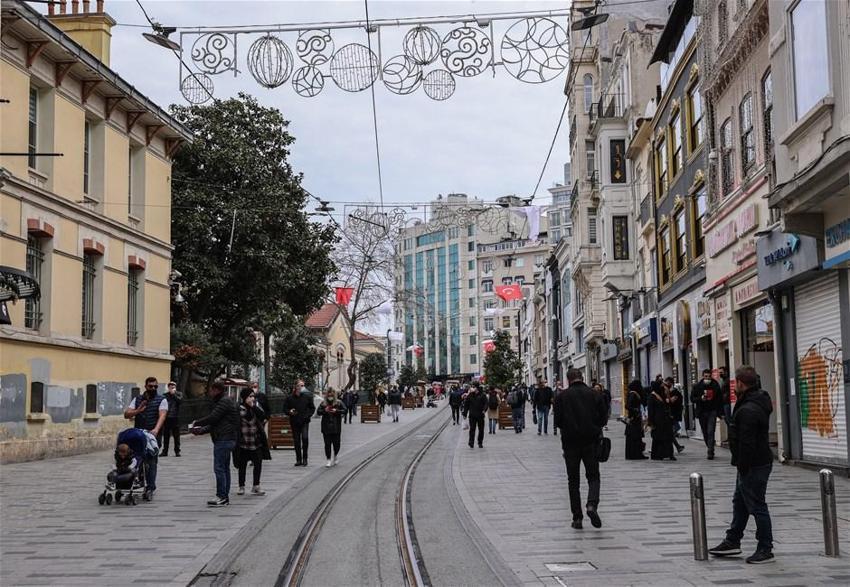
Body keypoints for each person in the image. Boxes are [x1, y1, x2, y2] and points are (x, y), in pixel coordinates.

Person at [709, 365, 775, 564]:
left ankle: (765, 548)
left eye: (734, 382)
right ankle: (732, 540)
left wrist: (742, 465)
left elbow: (747, 442)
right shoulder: (755, 400)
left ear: (740, 383)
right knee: (740, 503)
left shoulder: (748, 409)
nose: (733, 386)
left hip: (753, 464)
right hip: (754, 462)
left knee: (757, 506)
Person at [554, 368, 608, 529]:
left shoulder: (561, 397)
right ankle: (592, 504)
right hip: (591, 442)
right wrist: (593, 426)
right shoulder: (595, 394)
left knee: (573, 481)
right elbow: (603, 419)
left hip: (570, 443)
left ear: (568, 380)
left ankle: (577, 518)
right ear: (582, 377)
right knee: (593, 476)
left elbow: (558, 421)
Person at [190, 381, 240, 507]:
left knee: (219, 468)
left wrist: (197, 423)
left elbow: (213, 418)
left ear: (216, 390)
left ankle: (222, 496)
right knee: (224, 468)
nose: (210, 393)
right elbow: (216, 423)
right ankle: (224, 496)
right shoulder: (223, 401)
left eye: (211, 390)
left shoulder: (224, 401)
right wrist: (200, 431)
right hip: (226, 438)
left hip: (224, 439)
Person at [123, 376, 167, 500]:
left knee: (151, 461)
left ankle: (150, 487)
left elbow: (162, 416)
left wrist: (156, 430)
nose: (153, 388)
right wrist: (138, 410)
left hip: (153, 436)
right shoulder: (137, 399)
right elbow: (127, 414)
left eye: (155, 386)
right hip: (139, 435)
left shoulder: (162, 399)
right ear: (146, 386)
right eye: (150, 386)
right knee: (137, 459)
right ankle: (140, 481)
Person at [235, 387, 270, 496]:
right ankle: (241, 486)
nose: (252, 398)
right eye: (250, 396)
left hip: (255, 441)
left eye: (253, 396)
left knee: (258, 463)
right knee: (242, 465)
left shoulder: (255, 408)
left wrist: (253, 406)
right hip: (243, 441)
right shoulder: (239, 409)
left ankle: (256, 485)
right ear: (244, 397)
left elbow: (263, 416)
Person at [284, 381, 316, 466]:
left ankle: (305, 458)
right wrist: (289, 411)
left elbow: (312, 408)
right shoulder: (289, 398)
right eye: (298, 386)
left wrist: (308, 415)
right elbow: (285, 409)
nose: (299, 388)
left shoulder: (307, 397)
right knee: (297, 441)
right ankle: (298, 459)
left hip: (304, 421)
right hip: (294, 421)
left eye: (301, 386)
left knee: (305, 439)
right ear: (294, 387)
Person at [693, 368, 722, 459]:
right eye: (706, 376)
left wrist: (720, 412)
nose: (707, 378)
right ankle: (709, 445)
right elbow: (692, 398)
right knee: (705, 431)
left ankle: (710, 451)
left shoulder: (715, 385)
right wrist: (700, 398)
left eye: (709, 377)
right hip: (702, 412)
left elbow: (720, 399)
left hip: (712, 411)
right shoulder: (698, 386)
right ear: (703, 376)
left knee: (710, 431)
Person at [647, 380, 675, 461]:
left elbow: (667, 405)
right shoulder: (652, 396)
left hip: (666, 419)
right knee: (658, 438)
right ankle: (658, 454)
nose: (663, 387)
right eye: (661, 386)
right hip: (657, 421)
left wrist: (668, 397)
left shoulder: (662, 395)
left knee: (668, 437)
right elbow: (650, 411)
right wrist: (651, 422)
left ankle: (669, 454)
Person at [317, 389, 345, 467]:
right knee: (327, 444)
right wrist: (324, 410)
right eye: (328, 395)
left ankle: (335, 455)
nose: (330, 397)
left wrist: (337, 411)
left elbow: (345, 410)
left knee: (337, 444)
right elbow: (318, 412)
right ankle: (328, 459)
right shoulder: (323, 403)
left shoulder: (339, 402)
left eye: (331, 395)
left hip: (336, 427)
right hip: (326, 427)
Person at [624, 380, 647, 460]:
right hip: (634, 419)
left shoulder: (632, 393)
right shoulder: (633, 394)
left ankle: (636, 453)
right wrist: (635, 410)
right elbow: (627, 406)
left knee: (635, 437)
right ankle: (635, 454)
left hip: (634, 418)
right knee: (635, 436)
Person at [160, 381, 182, 457]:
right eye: (170, 387)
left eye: (173, 387)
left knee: (176, 436)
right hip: (167, 417)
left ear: (175, 387)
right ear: (168, 387)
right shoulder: (165, 395)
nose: (172, 388)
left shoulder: (179, 394)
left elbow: (180, 401)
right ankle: (165, 451)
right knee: (166, 435)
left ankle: (177, 451)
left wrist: (173, 394)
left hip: (175, 417)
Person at [666, 379, 685, 454]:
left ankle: (676, 446)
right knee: (671, 432)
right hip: (671, 414)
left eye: (668, 383)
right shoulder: (669, 392)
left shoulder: (675, 393)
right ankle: (677, 446)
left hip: (673, 414)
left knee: (672, 431)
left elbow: (672, 402)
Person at [465, 384, 488, 448]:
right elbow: (466, 404)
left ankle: (480, 442)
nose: (472, 388)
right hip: (472, 415)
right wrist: (465, 413)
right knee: (472, 429)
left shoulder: (483, 395)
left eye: (473, 387)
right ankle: (471, 442)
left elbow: (486, 403)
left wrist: (484, 410)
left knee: (481, 430)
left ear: (477, 388)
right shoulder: (470, 395)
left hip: (480, 415)